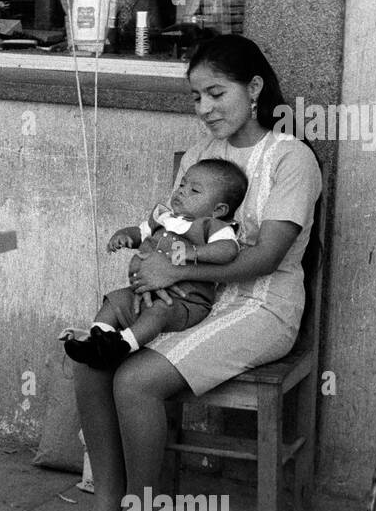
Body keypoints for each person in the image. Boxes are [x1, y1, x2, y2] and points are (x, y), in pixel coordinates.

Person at [50, 34, 321, 511]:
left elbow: (267, 257)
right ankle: (106, 506)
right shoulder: (200, 157)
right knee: (92, 359)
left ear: (255, 88)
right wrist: (148, 270)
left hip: (263, 308)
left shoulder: (291, 159)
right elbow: (170, 230)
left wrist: (175, 271)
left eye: (216, 94)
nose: (204, 109)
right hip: (194, 300)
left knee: (135, 381)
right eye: (196, 97)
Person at [60, 158, 246, 369]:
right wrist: (125, 235)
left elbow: (228, 250)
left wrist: (192, 252)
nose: (182, 191)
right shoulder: (164, 217)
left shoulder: (211, 225)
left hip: (185, 301)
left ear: (218, 210)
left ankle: (122, 345)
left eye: (194, 191)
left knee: (159, 311)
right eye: (182, 185)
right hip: (144, 291)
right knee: (114, 300)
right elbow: (139, 233)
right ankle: (98, 337)